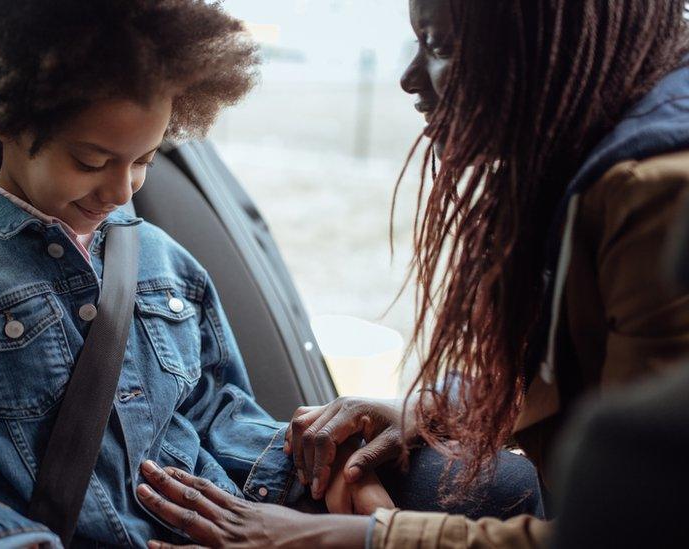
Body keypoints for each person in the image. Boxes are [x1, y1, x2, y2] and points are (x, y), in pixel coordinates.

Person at [0, 1, 397, 547]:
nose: (122, 191)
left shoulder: (168, 264)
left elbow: (216, 415)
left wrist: (322, 473)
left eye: (144, 160)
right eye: (92, 162)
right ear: (7, 121)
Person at [137, 0, 689, 547]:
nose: (407, 78)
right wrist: (429, 408)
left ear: (552, 49)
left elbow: (641, 529)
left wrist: (352, 537)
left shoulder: (657, 194)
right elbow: (582, 371)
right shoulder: (595, 162)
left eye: (441, 46)